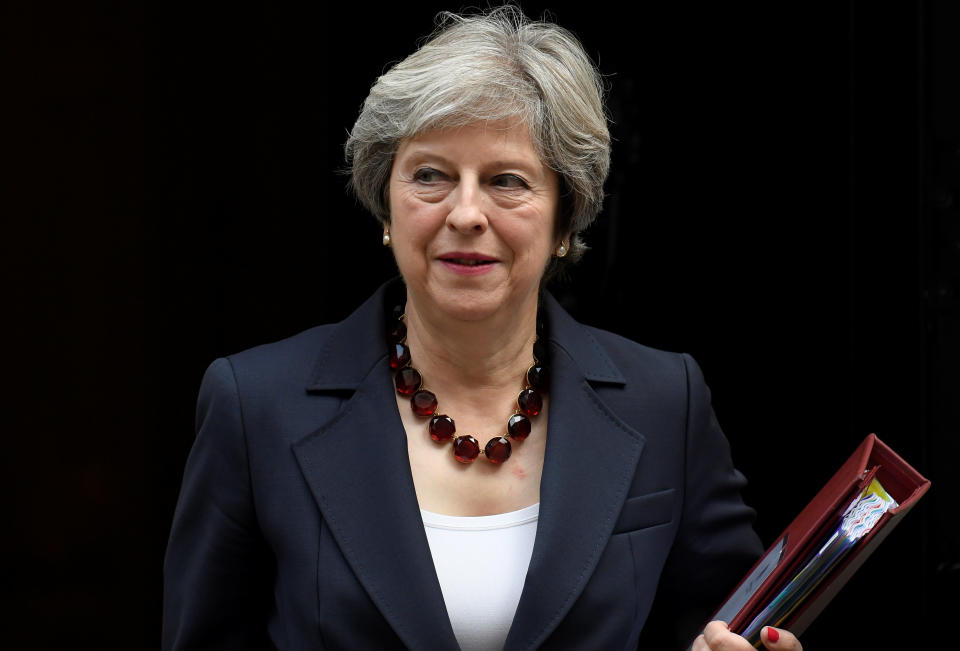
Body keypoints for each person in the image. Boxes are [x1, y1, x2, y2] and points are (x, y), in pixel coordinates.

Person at [162, 6, 802, 650]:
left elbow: (723, 625)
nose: (466, 212)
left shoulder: (666, 402)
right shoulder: (254, 407)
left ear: (563, 220)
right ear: (386, 202)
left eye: (506, 180)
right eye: (432, 175)